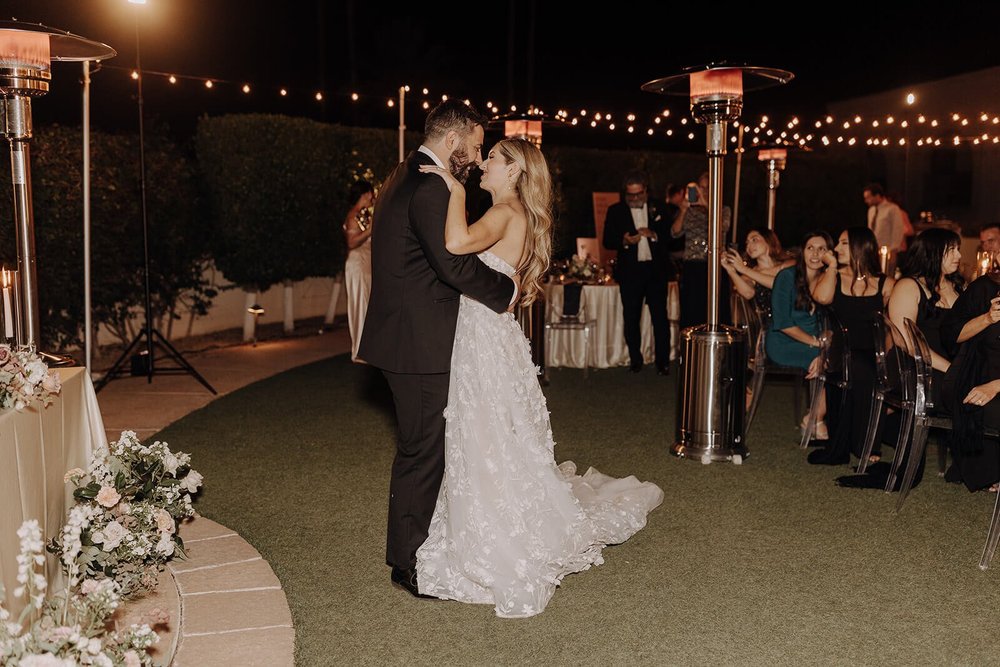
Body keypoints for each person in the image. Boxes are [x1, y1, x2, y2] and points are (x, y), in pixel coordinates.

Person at [416, 138, 663, 618]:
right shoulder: (516, 213)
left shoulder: (507, 211)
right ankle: (493, 506)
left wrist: (454, 189)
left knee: (484, 424)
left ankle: (496, 522)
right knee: (490, 426)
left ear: (513, 173)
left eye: (492, 159)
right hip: (488, 331)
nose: (482, 164)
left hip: (485, 335)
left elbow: (455, 244)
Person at [357, 101, 517, 600]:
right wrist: (505, 291)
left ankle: (415, 548)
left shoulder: (405, 173)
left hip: (404, 336)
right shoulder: (428, 185)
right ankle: (408, 563)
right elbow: (452, 266)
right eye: (473, 146)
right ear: (453, 142)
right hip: (417, 344)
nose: (475, 156)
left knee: (423, 447)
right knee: (422, 452)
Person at [838, 228, 963, 489]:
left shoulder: (958, 287)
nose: (959, 256)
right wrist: (952, 369)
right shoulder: (909, 286)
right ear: (933, 252)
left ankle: (974, 467)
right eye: (952, 250)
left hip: (946, 367)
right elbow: (905, 341)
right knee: (968, 392)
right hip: (911, 368)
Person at [808, 226, 894, 465]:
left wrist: (886, 355)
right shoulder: (832, 277)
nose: (836, 248)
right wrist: (832, 267)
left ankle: (870, 440)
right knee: (862, 367)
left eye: (843, 243)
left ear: (861, 246)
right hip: (840, 352)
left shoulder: (886, 284)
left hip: (874, 353)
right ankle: (866, 445)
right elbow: (822, 298)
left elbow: (893, 327)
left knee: (874, 368)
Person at [601, 171, 675, 374]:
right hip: (630, 273)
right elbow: (607, 240)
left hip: (656, 271)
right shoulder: (616, 210)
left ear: (645, 192)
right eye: (630, 195)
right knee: (631, 317)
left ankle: (663, 362)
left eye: (638, 194)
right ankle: (636, 359)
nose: (634, 199)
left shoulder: (659, 207)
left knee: (660, 317)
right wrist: (624, 241)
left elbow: (672, 237)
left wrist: (654, 235)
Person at [767, 232, 834, 438]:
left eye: (821, 249)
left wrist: (823, 345)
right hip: (782, 342)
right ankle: (816, 419)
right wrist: (817, 346)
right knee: (830, 363)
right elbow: (783, 323)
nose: (815, 253)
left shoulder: (828, 281)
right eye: (810, 248)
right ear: (802, 252)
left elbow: (832, 322)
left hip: (815, 344)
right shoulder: (786, 277)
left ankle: (813, 418)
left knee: (841, 361)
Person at [940, 271, 1000, 492]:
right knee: (977, 403)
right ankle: (986, 470)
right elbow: (951, 335)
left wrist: (996, 386)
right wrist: (987, 318)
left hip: (994, 385)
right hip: (974, 375)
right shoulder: (985, 288)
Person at [671, 172, 732, 329]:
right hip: (693, 266)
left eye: (707, 188)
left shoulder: (723, 210)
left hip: (715, 267)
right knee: (692, 314)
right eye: (701, 188)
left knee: (717, 312)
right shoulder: (690, 211)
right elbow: (675, 232)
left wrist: (706, 204)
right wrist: (684, 209)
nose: (703, 192)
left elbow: (722, 227)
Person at [721, 227, 792, 322]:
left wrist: (743, 269)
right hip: (767, 327)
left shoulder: (788, 264)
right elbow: (748, 293)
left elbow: (781, 284)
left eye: (754, 240)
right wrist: (731, 271)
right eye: (747, 243)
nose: (749, 245)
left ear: (768, 241)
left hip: (792, 322)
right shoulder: (748, 274)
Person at [342, 179, 375, 362]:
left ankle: (368, 346)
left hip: (367, 263)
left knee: (368, 304)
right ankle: (359, 351)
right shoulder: (353, 217)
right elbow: (352, 242)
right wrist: (370, 230)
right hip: (356, 264)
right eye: (371, 193)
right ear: (365, 194)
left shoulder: (364, 215)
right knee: (359, 305)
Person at [863, 183, 905, 276]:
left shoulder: (892, 208)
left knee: (887, 275)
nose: (866, 201)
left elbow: (897, 230)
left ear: (877, 196)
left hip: (887, 250)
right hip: (874, 250)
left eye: (868, 197)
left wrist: (893, 250)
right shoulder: (871, 211)